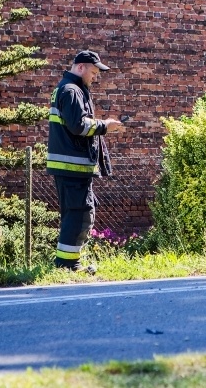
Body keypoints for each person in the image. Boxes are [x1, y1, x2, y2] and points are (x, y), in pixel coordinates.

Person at [46, 50, 125, 273]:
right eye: (93, 72)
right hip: (72, 167)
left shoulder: (70, 89)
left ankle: (68, 263)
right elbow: (78, 126)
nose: (95, 77)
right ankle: (67, 266)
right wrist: (104, 126)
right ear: (80, 67)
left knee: (77, 213)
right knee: (80, 214)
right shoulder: (71, 91)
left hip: (72, 167)